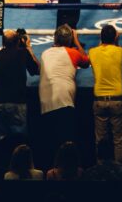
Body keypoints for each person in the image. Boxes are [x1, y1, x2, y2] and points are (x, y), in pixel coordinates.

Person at [39, 25, 90, 154]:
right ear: (70, 40)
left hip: (45, 106)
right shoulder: (73, 53)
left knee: (51, 146)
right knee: (67, 146)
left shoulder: (45, 53)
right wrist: (77, 41)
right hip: (64, 104)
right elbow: (86, 62)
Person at [89, 23, 122, 162]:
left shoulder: (92, 52)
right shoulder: (119, 51)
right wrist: (116, 44)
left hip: (99, 100)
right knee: (119, 141)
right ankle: (119, 171)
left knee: (100, 140)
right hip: (117, 100)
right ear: (115, 37)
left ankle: (100, 170)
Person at [0, 30, 39, 142]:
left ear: (3, 43)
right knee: (19, 142)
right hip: (16, 103)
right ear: (18, 41)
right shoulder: (23, 53)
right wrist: (29, 48)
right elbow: (36, 70)